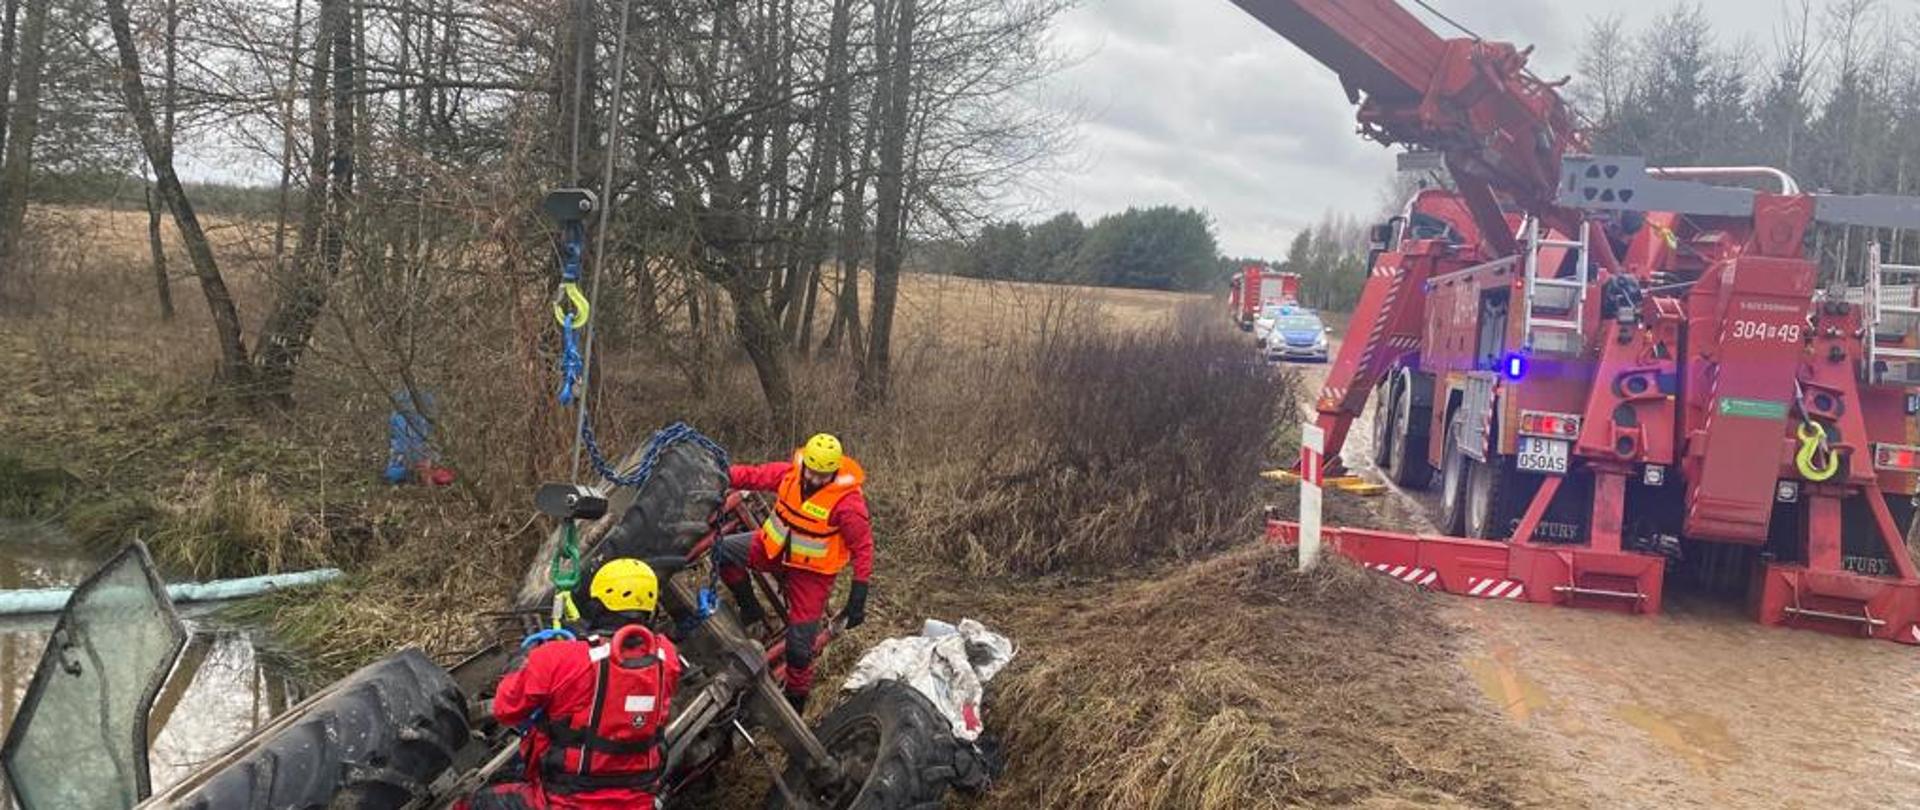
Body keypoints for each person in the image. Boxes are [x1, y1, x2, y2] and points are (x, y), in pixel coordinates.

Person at [463, 558, 681, 810]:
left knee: (472, 802)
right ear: (651, 612)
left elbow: (505, 709)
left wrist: (523, 664)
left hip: (567, 802)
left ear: (595, 606)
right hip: (637, 801)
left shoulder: (558, 658)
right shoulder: (667, 657)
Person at [718, 432, 872, 714]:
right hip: (772, 549)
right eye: (810, 471)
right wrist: (720, 474)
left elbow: (863, 549)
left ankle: (795, 701)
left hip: (811, 575)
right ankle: (751, 611)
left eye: (821, 476)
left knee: (799, 649)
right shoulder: (790, 474)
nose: (813, 479)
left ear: (834, 471)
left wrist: (858, 594)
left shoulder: (848, 504)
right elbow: (754, 475)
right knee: (722, 552)